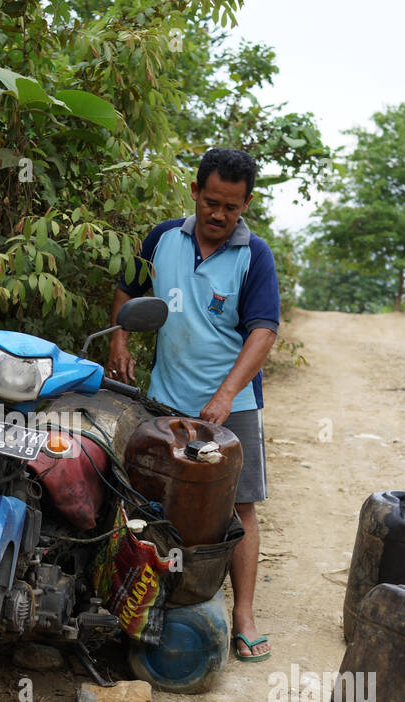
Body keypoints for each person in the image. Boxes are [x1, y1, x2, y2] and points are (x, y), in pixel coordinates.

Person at [106, 147, 279, 662]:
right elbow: (126, 289)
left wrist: (226, 394)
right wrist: (119, 341)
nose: (219, 214)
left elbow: (264, 331)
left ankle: (243, 614)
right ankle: (136, 606)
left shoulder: (255, 256)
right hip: (163, 401)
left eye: (232, 206)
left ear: (246, 204)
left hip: (234, 406)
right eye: (211, 202)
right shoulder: (161, 238)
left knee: (239, 505)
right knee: (148, 504)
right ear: (195, 192)